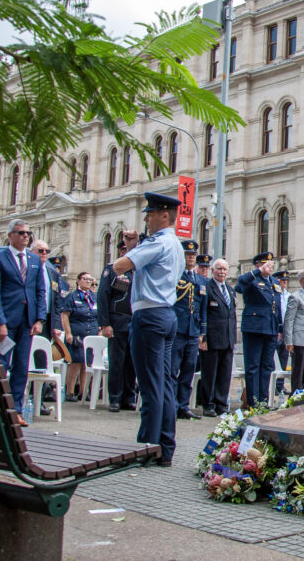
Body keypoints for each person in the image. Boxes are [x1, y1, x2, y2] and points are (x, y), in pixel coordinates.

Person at [112, 192, 184, 467]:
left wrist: (130, 249)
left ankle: (146, 447)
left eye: (151, 215)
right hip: (166, 314)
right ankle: (165, 447)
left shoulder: (158, 242)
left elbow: (120, 266)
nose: (147, 220)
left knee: (150, 386)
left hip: (149, 315)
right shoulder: (175, 244)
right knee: (164, 384)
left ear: (164, 216)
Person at [0, 218, 48, 422]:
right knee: (1, 365)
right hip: (7, 322)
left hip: (27, 322)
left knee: (21, 366)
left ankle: (16, 410)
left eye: (27, 233)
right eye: (21, 233)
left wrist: (39, 318)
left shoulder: (34, 260)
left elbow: (40, 290)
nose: (25, 236)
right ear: (10, 235)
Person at [236, 252, 281, 407]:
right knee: (253, 366)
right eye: (265, 264)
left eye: (271, 264)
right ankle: (253, 401)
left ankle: (263, 400)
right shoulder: (252, 279)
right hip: (254, 328)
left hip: (271, 328)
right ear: (257, 265)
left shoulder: (274, 281)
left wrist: (279, 327)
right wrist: (257, 272)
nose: (269, 267)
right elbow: (240, 282)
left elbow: (277, 305)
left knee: (267, 366)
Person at [98, 238, 137, 412]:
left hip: (134, 323)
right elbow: (103, 297)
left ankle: (128, 397)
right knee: (117, 361)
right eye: (125, 252)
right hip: (118, 322)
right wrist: (105, 324)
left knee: (131, 363)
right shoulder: (112, 270)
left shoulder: (137, 271)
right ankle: (114, 397)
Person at [171, 239, 206, 420]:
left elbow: (202, 307)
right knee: (173, 369)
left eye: (192, 255)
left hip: (193, 330)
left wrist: (202, 331)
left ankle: (183, 405)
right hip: (177, 329)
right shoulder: (175, 276)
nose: (190, 258)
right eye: (187, 254)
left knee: (188, 370)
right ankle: (171, 405)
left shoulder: (200, 280)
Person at [199, 258, 237, 417]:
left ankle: (221, 404)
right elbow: (203, 313)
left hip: (227, 339)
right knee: (209, 374)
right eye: (219, 269)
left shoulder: (230, 289)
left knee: (224, 374)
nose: (222, 272)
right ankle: (208, 404)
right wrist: (203, 337)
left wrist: (233, 338)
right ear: (212, 271)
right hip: (212, 339)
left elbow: (232, 316)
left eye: (224, 269)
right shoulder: (206, 288)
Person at [62, 271, 98, 403]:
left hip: (91, 334)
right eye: (85, 279)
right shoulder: (72, 296)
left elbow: (98, 315)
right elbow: (65, 315)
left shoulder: (94, 297)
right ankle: (70, 391)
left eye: (90, 280)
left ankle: (84, 391)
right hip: (77, 332)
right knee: (76, 362)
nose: (88, 282)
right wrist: (68, 333)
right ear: (78, 281)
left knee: (87, 364)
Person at [274, 270, 291, 397]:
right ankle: (272, 385)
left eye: (285, 281)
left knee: (283, 359)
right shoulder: (274, 295)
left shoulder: (289, 296)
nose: (283, 283)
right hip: (275, 330)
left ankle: (280, 386)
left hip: (285, 330)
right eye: (281, 280)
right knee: (272, 359)